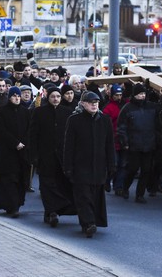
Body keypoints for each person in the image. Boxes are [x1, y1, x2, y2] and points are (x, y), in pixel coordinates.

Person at [63, 91, 115, 238]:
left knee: (96, 196)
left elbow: (109, 145)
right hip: (80, 167)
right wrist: (68, 167)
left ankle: (93, 221)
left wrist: (112, 165)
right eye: (91, 102)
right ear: (83, 103)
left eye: (96, 102)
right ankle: (88, 223)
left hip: (99, 166)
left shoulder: (105, 120)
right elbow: (69, 146)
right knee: (83, 196)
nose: (94, 104)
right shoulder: (74, 120)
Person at [29, 86, 75, 227]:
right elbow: (33, 135)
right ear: (47, 98)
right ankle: (52, 212)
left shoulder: (67, 112)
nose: (55, 99)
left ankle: (51, 211)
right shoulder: (39, 112)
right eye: (53, 97)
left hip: (61, 157)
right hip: (45, 156)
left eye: (58, 97)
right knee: (47, 185)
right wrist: (34, 155)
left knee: (60, 185)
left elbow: (71, 136)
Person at [0, 86, 30, 217]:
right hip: (8, 152)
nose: (17, 98)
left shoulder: (25, 112)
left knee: (20, 179)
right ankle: (12, 206)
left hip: (22, 151)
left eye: (18, 96)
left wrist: (23, 142)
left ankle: (17, 204)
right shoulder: (1, 111)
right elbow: (2, 130)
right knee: (9, 179)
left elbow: (29, 129)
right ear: (10, 97)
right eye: (14, 96)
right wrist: (15, 143)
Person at [117, 84, 159, 203]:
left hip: (149, 143)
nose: (142, 96)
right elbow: (121, 127)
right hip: (133, 144)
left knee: (146, 170)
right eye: (140, 94)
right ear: (134, 95)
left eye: (144, 94)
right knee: (132, 169)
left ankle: (140, 194)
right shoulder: (127, 108)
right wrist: (124, 142)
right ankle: (125, 187)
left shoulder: (151, 107)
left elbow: (160, 114)